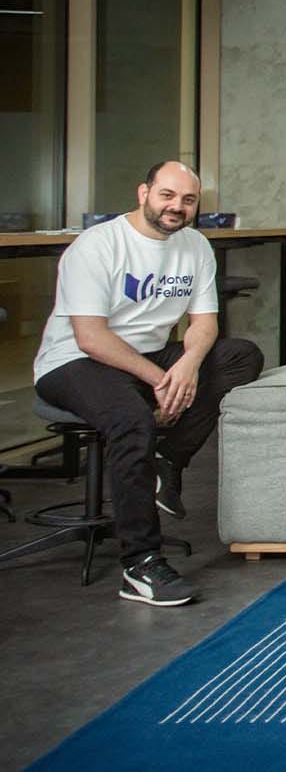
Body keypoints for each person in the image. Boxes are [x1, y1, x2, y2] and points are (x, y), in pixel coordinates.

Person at [33, 161, 264, 606]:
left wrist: (189, 365)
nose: (177, 207)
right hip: (75, 361)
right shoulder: (98, 245)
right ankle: (140, 564)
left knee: (241, 357)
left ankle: (167, 460)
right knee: (131, 418)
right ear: (144, 193)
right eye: (167, 195)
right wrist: (161, 378)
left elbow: (204, 324)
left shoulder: (195, 245)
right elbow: (90, 336)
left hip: (147, 355)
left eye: (188, 200)